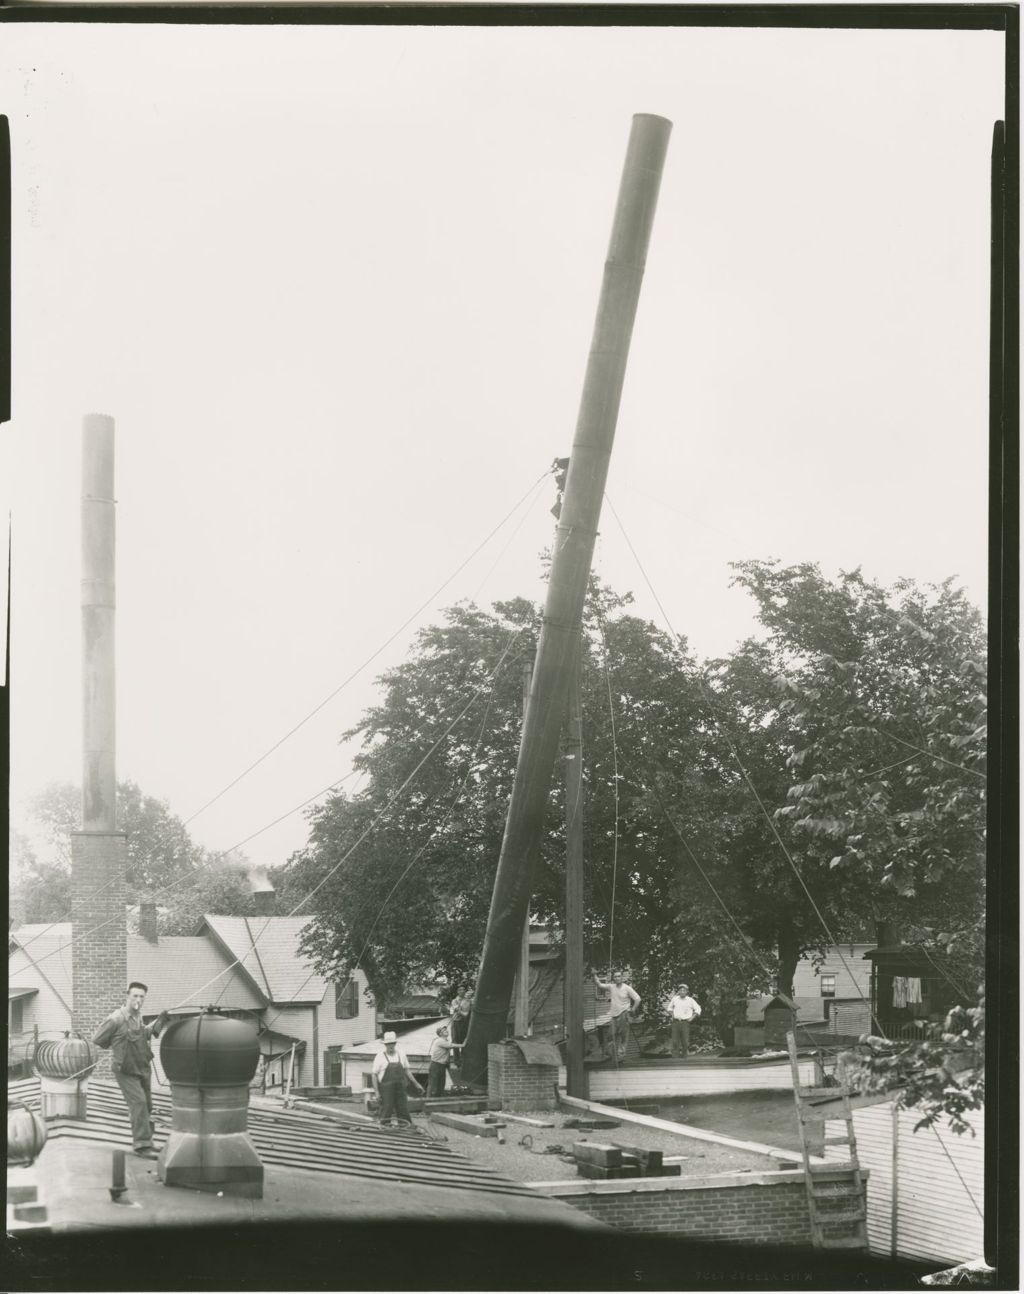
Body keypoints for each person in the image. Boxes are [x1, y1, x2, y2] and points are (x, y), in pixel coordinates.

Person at [92, 981, 170, 1158]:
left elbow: (145, 1035)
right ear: (127, 996)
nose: (138, 999)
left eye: (142, 996)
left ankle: (148, 1141)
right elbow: (97, 1039)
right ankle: (142, 1146)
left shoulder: (138, 1016)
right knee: (139, 1103)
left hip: (142, 1067)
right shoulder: (116, 1018)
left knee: (147, 1105)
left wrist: (161, 1021)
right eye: (135, 995)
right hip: (125, 1070)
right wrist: (115, 1045)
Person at [372, 1030, 424, 1127]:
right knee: (386, 1108)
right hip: (386, 1089)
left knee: (403, 1108)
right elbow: (374, 1075)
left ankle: (405, 1127)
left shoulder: (401, 1054)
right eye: (388, 1044)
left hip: (400, 1087)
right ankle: (383, 1128)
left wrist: (417, 1084)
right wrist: (377, 1092)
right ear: (385, 1045)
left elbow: (407, 1071)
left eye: (392, 1044)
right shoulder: (380, 1056)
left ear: (395, 1043)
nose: (390, 1046)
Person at [592, 969, 641, 1061]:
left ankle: (621, 1056)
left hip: (624, 1014)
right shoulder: (611, 987)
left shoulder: (627, 988)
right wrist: (595, 974)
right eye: (615, 976)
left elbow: (638, 999)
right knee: (610, 1035)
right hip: (614, 1016)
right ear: (613, 978)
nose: (617, 978)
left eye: (619, 976)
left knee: (623, 1036)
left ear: (622, 978)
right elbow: (599, 985)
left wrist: (633, 1010)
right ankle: (610, 1055)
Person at [668, 983, 702, 1058]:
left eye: (684, 990)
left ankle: (684, 1059)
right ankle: (675, 1060)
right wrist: (673, 1015)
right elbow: (669, 1008)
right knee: (675, 1042)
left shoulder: (690, 1000)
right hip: (676, 1022)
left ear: (687, 992)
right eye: (681, 990)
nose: (682, 992)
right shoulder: (675, 999)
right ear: (678, 991)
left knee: (685, 1042)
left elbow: (698, 1009)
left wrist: (692, 1017)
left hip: (685, 1023)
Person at [426, 1024, 455, 1098]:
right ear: (440, 1034)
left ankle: (437, 1098)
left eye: (446, 1030)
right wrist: (463, 1044)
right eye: (444, 1031)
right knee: (432, 1084)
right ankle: (427, 1099)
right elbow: (452, 1045)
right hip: (435, 1064)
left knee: (441, 1084)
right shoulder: (440, 1041)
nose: (446, 1031)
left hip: (442, 1065)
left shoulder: (446, 1041)